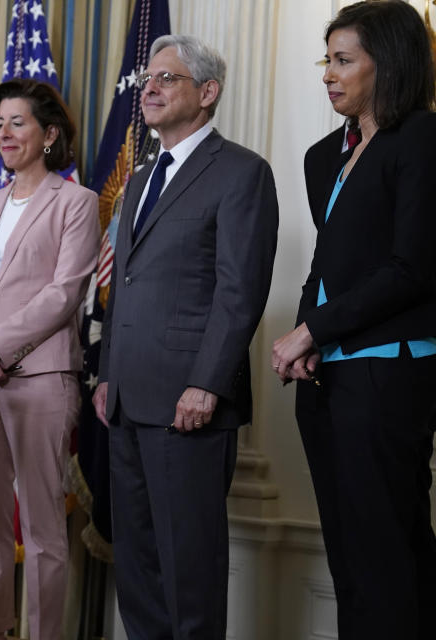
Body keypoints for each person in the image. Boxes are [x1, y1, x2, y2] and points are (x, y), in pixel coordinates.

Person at [92, 34, 278, 639]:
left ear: (207, 92)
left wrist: (206, 383)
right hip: (125, 400)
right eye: (148, 78)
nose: (148, 88)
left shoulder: (242, 172)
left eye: (166, 78)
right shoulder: (141, 175)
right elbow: (125, 284)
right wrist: (107, 375)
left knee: (188, 567)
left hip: (188, 404)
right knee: (138, 565)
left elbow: (238, 292)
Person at [272, 3, 436, 638]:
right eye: (326, 61)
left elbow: (410, 268)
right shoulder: (323, 156)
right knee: (347, 558)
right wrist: (310, 336)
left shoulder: (422, 138)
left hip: (390, 372)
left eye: (344, 61)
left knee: (388, 556)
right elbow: (329, 257)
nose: (328, 75)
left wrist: (312, 329)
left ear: (388, 64)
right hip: (326, 382)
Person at [0, 79, 99, 640]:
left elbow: (64, 294)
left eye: (18, 123)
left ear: (49, 135)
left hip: (40, 377)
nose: (4, 134)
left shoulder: (76, 202)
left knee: (42, 530)